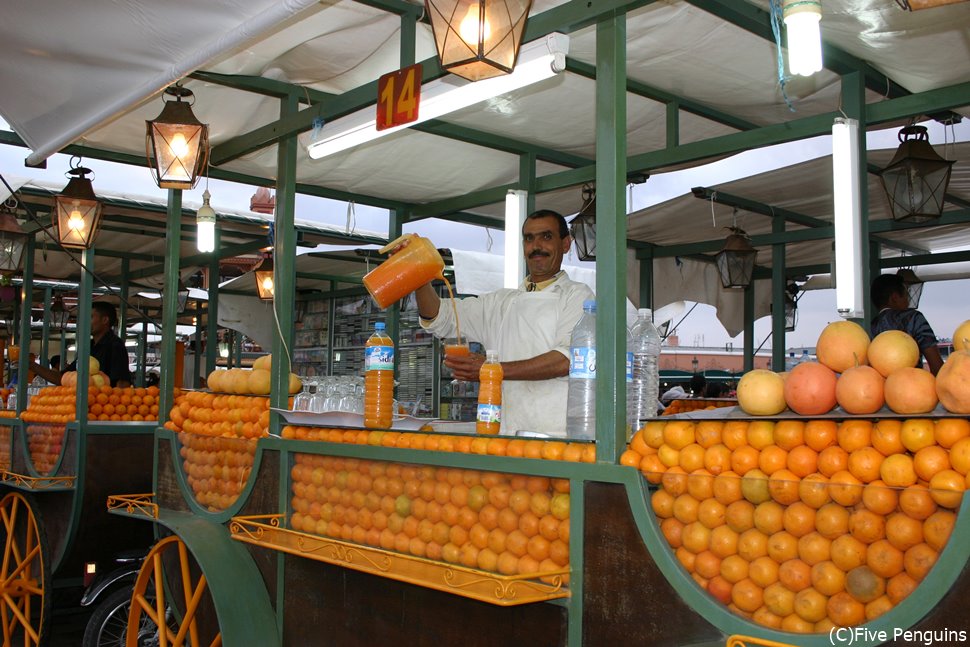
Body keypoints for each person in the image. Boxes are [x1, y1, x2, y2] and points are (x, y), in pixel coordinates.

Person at [412, 209, 593, 436]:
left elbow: (566, 360)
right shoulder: (501, 302)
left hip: (556, 436)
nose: (536, 246)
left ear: (565, 244)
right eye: (529, 238)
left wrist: (490, 370)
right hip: (505, 432)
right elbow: (440, 316)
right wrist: (417, 277)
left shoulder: (577, 295)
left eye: (546, 237)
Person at [30, 302, 132, 387]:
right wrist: (31, 365)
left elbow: (123, 384)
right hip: (87, 406)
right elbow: (63, 378)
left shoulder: (115, 346)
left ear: (105, 320)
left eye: (91, 317)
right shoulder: (89, 347)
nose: (87, 321)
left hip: (105, 407)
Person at [870, 273, 943, 376]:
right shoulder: (914, 318)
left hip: (880, 389)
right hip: (911, 386)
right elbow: (937, 366)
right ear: (894, 298)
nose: (908, 301)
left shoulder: (870, 327)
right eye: (906, 295)